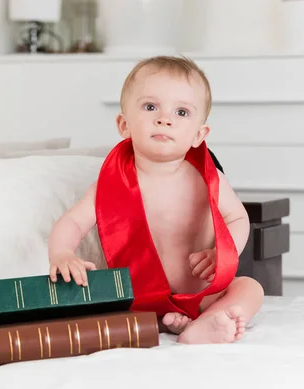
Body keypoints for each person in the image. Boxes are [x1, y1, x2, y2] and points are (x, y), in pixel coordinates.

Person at [47, 55, 264, 344]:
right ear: (124, 125)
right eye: (151, 107)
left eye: (182, 112)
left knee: (250, 288)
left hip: (201, 295)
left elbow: (237, 218)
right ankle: (166, 323)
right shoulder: (113, 183)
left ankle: (213, 319)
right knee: (98, 303)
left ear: (200, 134)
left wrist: (222, 253)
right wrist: (62, 253)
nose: (165, 119)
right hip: (137, 300)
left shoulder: (206, 178)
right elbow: (73, 221)